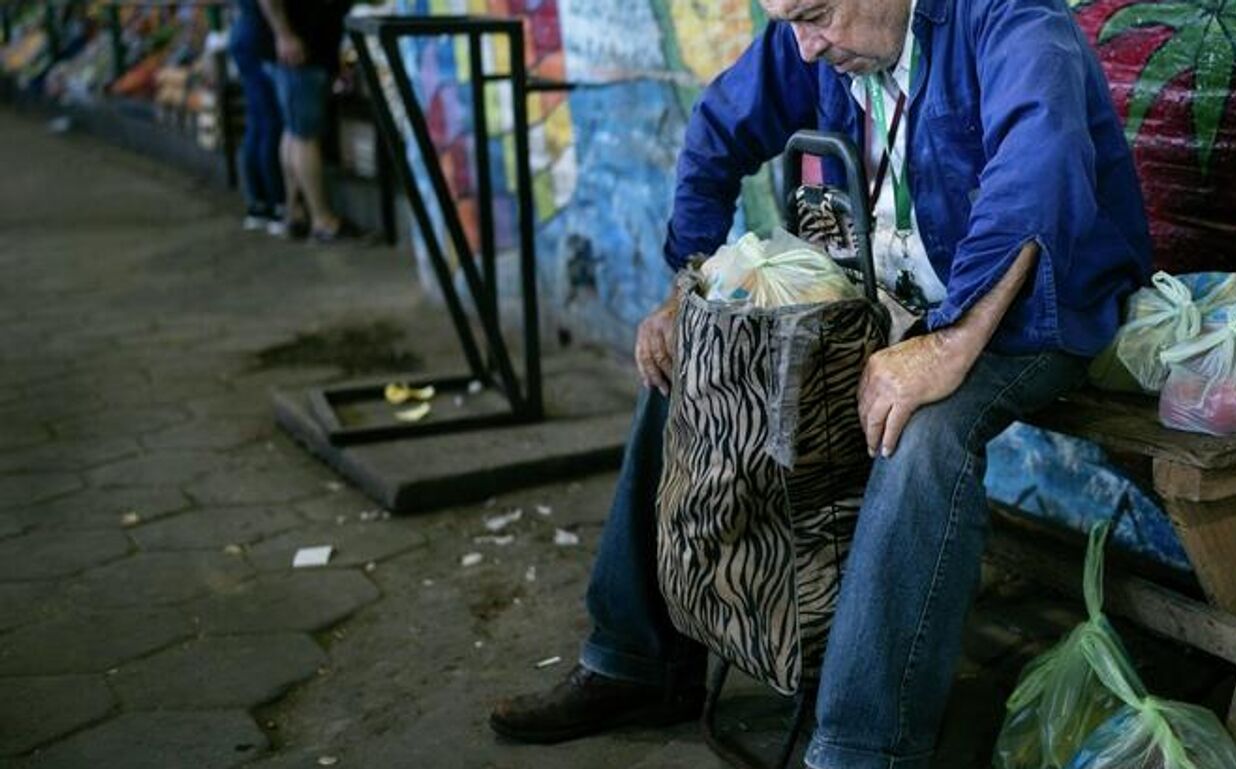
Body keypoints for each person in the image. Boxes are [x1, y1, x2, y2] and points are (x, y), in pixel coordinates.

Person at [489, 0, 1152, 765]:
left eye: (816, 15)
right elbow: (715, 129)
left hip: (1034, 305)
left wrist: (948, 344)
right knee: (689, 355)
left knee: (920, 429)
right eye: (790, 21)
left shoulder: (1012, 21)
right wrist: (683, 286)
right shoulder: (817, 39)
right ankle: (635, 659)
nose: (804, 47)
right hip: (895, 299)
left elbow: (1036, 175)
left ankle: (861, 747)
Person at [257, 0, 355, 242]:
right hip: (300, 53)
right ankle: (322, 221)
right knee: (305, 136)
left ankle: (296, 213)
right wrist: (285, 35)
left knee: (293, 131)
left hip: (303, 50)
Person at [228, 0, 283, 232]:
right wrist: (284, 34)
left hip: (245, 31)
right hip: (259, 36)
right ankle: (276, 203)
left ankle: (258, 202)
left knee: (257, 122)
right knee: (270, 123)